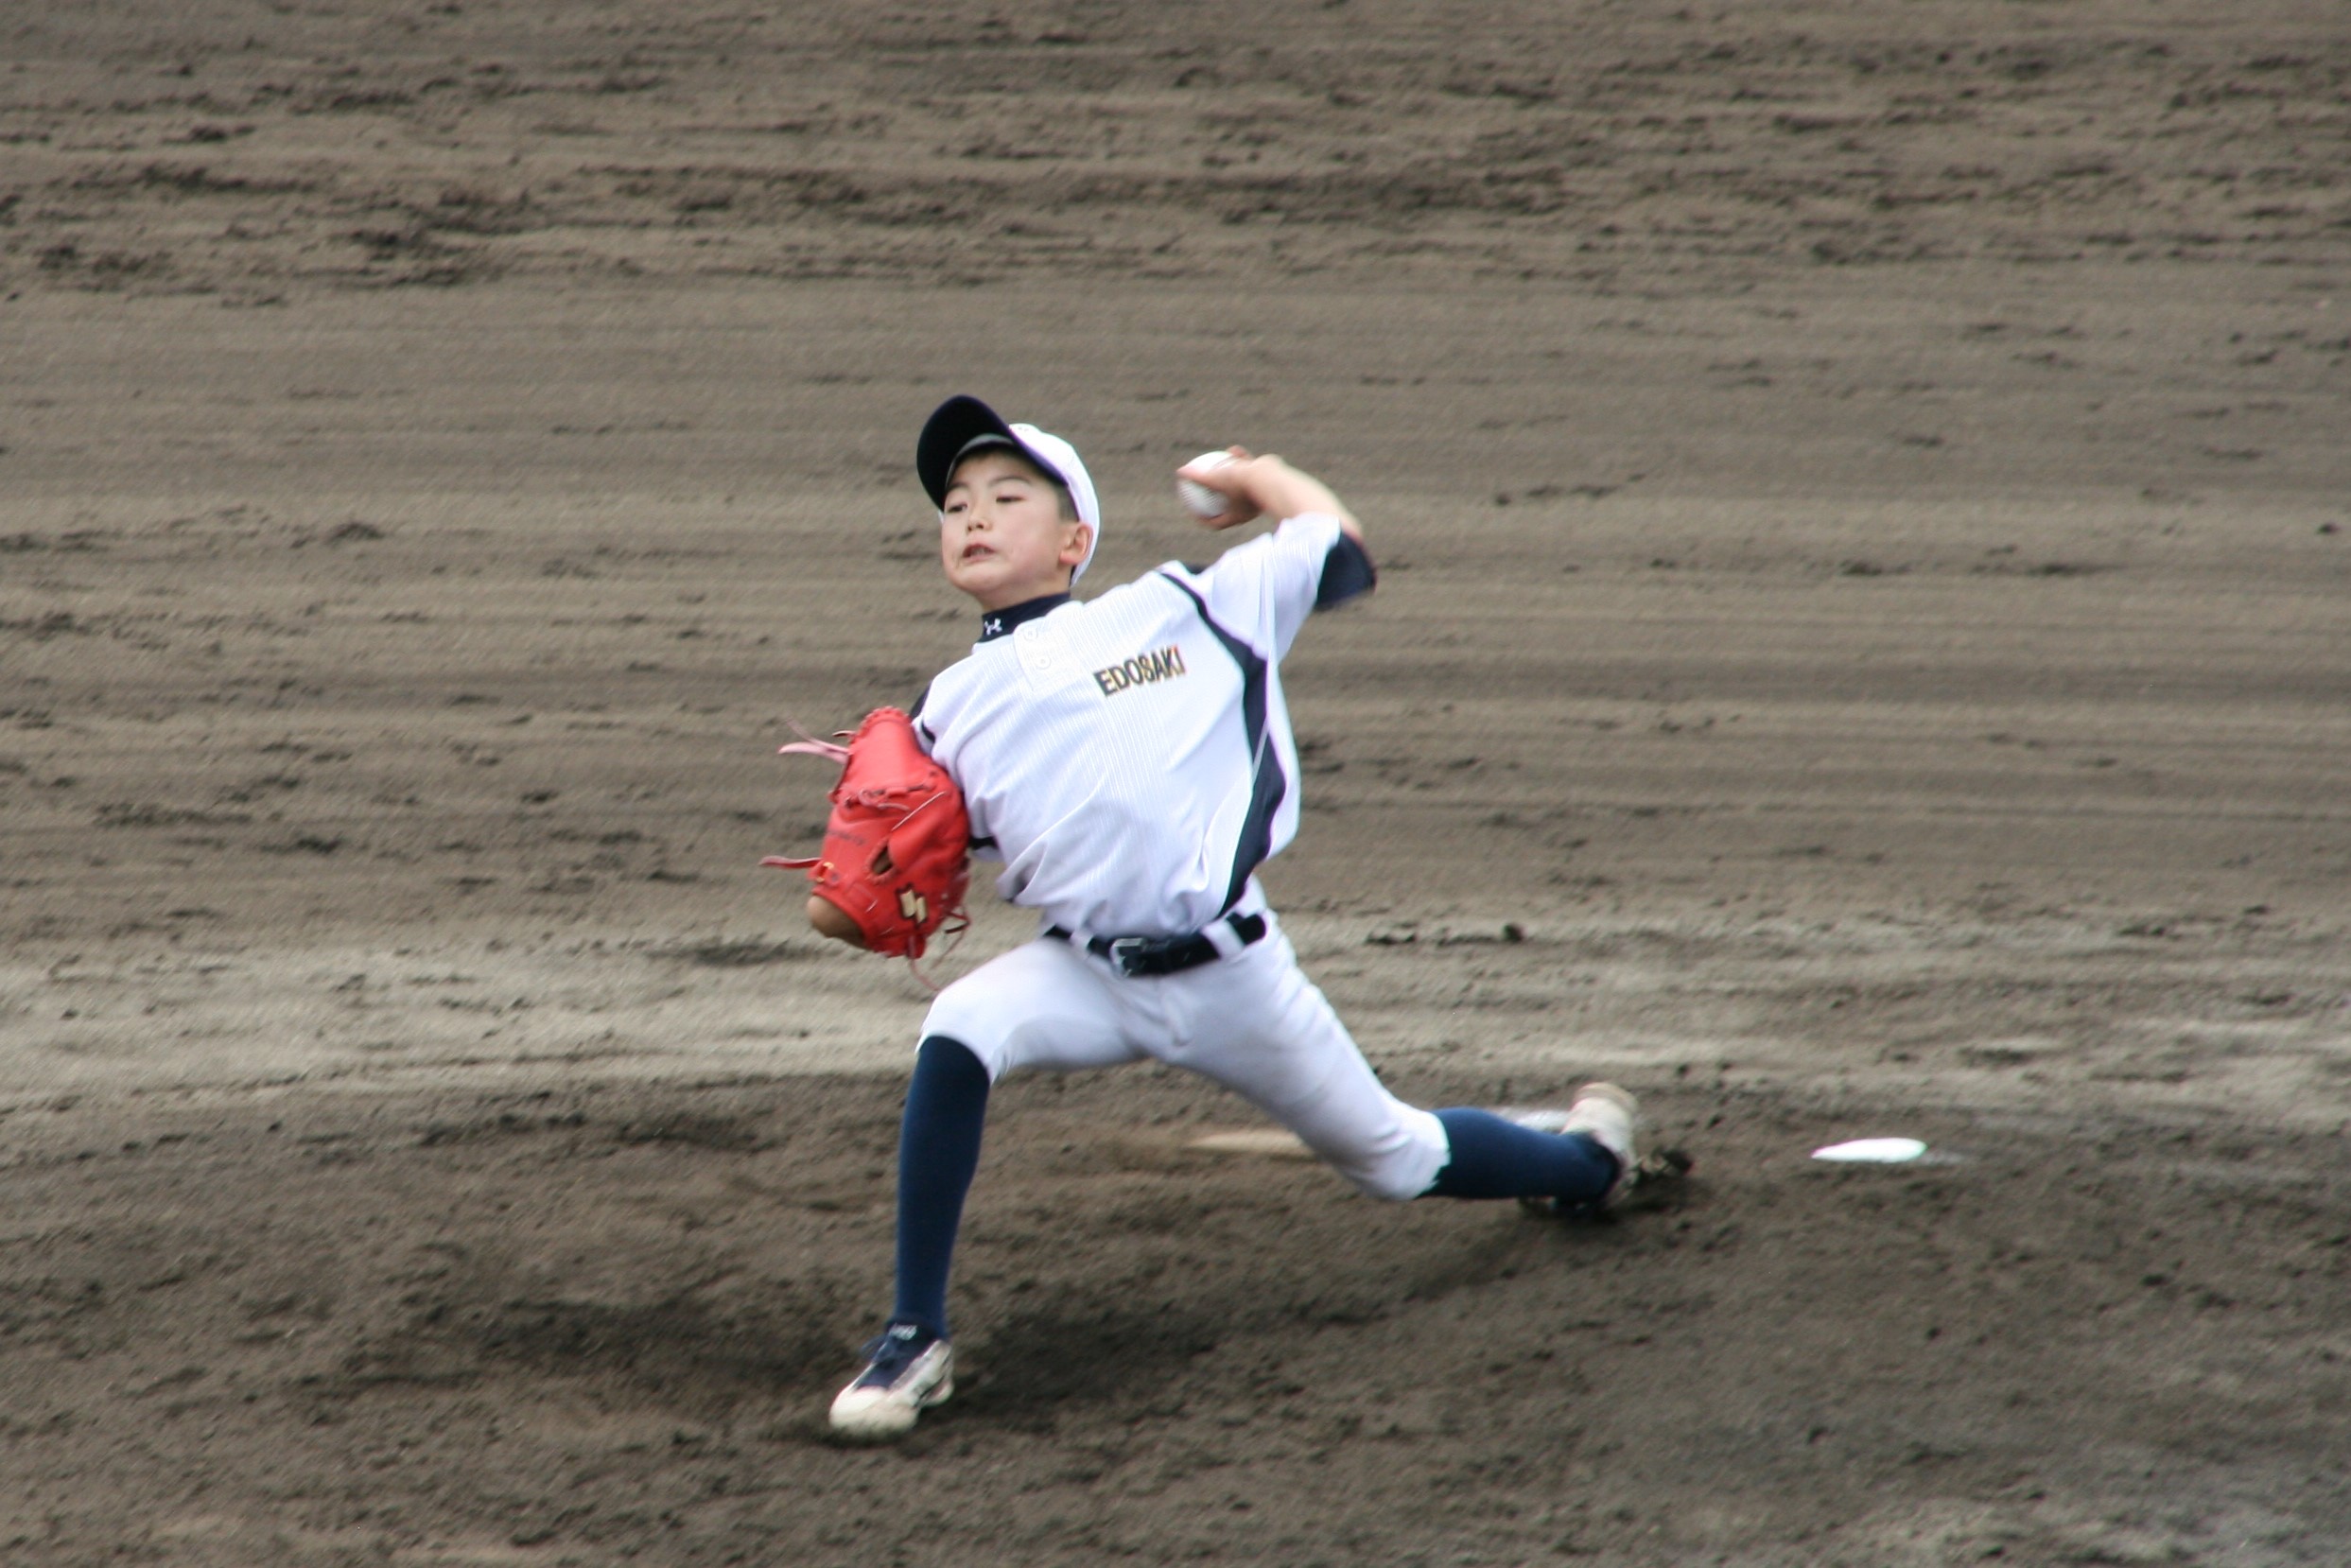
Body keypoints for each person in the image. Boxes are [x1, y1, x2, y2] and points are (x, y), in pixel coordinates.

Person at [816, 394, 1641, 1440]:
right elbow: (863, 902)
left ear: (1074, 538)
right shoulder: (944, 711)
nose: (974, 514)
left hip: (1234, 976)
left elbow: (1336, 548)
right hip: (1087, 976)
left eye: (1007, 495)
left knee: (1392, 1156)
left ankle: (1589, 1160)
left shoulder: (1179, 606)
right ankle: (914, 1335)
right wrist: (848, 899)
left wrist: (1255, 477)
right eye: (955, 503)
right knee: (960, 1026)